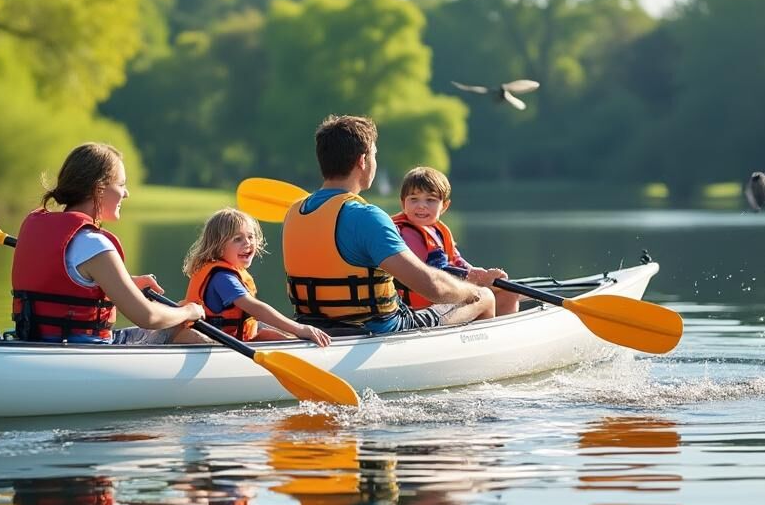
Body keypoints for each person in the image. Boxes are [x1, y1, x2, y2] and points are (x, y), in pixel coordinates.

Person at [282, 115, 494, 333]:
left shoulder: (295, 211)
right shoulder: (367, 216)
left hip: (313, 328)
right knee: (484, 297)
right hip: (377, 330)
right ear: (362, 161)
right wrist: (470, 291)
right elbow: (432, 286)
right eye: (374, 155)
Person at [10, 142, 205, 344]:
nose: (126, 193)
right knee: (184, 332)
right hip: (81, 348)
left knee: (175, 326)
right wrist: (187, 311)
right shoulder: (94, 245)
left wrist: (124, 284)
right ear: (99, 189)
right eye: (121, 185)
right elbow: (148, 317)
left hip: (36, 340)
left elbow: (68, 288)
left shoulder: (47, 233)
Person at [182, 208, 333, 347]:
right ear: (218, 246)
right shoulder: (223, 278)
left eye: (250, 237)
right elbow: (255, 309)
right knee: (283, 333)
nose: (247, 243)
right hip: (211, 343)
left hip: (237, 339)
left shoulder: (231, 272)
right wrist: (300, 328)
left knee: (273, 335)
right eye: (237, 239)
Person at [392, 166, 523, 316]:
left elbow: (456, 260)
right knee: (485, 293)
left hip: (446, 294)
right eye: (414, 199)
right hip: (423, 310)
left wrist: (478, 274)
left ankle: (500, 331)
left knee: (508, 290)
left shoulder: (438, 230)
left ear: (444, 206)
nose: (422, 205)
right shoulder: (407, 234)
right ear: (403, 204)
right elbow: (430, 273)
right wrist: (470, 276)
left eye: (430, 200)